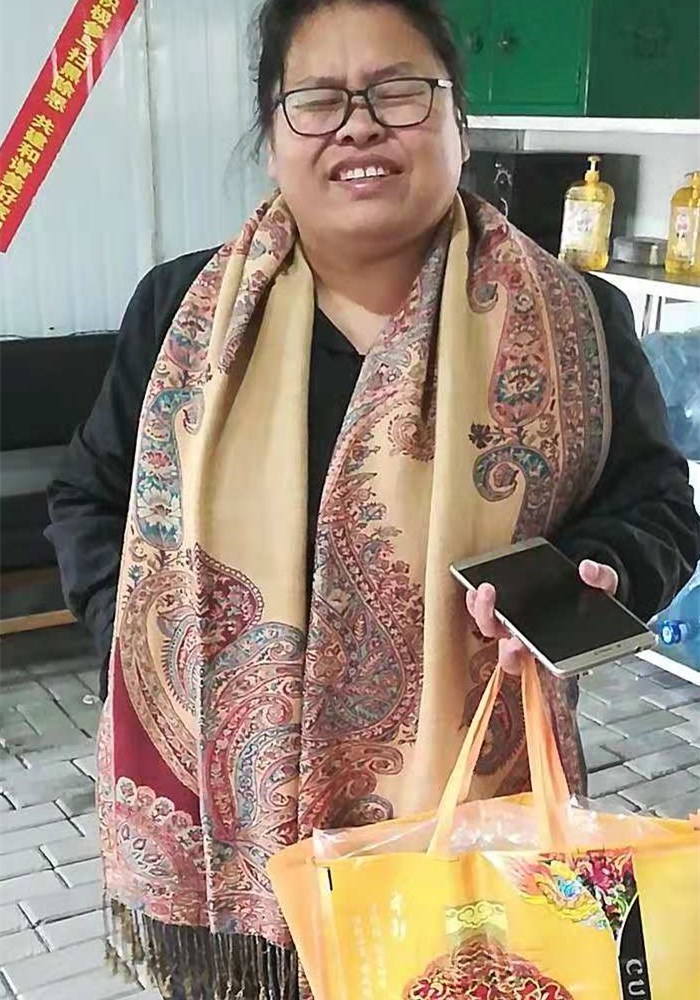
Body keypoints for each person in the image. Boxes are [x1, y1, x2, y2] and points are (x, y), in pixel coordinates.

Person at [46, 1, 700, 997]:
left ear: (457, 120)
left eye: (398, 92)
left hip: (469, 822)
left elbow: (656, 503)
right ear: (272, 133)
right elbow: (89, 496)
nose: (358, 126)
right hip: (231, 830)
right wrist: (140, 651)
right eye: (317, 100)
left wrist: (592, 576)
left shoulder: (576, 317)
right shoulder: (180, 315)